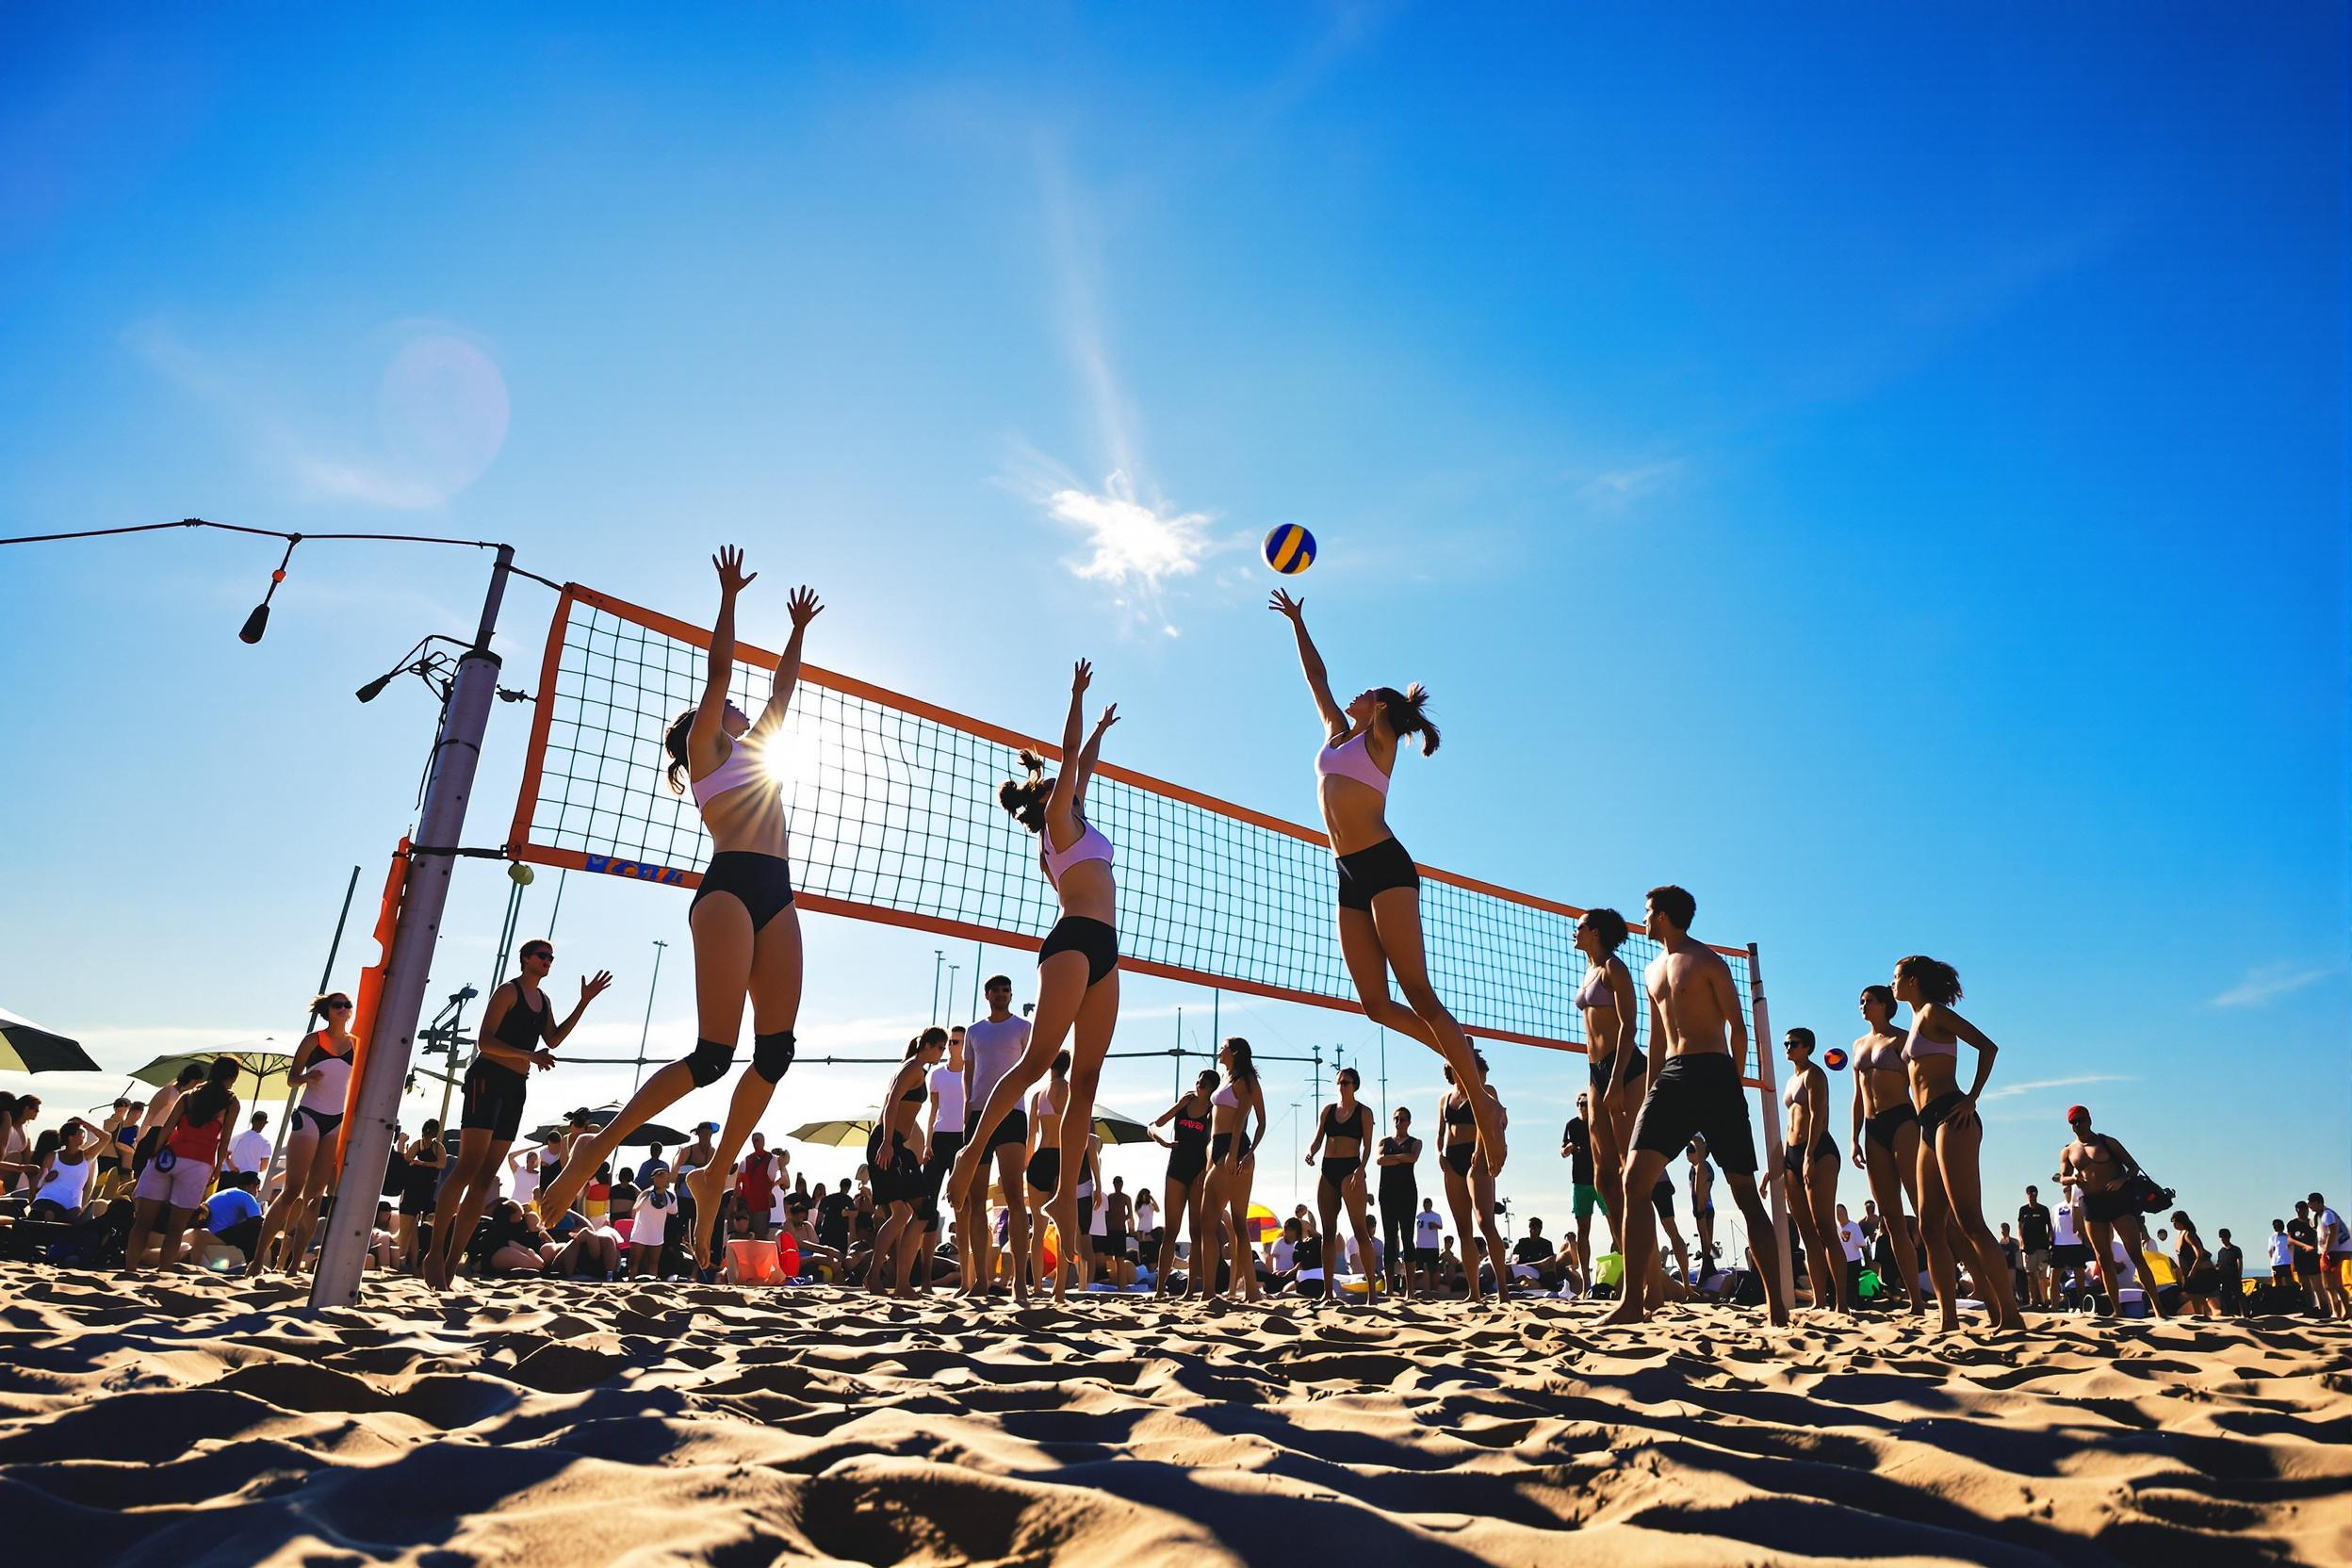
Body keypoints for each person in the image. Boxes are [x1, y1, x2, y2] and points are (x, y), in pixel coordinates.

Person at [539, 550, 821, 1255]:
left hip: (777, 893)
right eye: (725, 706)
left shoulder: (756, 749)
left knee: (777, 1052)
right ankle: (593, 1150)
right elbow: (718, 672)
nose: (735, 705)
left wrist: (796, 631)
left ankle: (715, 1172)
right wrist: (727, 597)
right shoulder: (704, 744)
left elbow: (782, 695)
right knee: (712, 1056)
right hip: (727, 891)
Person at [1270, 588, 1505, 1170]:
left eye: (1368, 692)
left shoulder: (1380, 739)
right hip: (1347, 871)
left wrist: (1395, 704)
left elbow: (1375, 702)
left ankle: (1483, 1109)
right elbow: (1318, 678)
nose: (1355, 692)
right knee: (1375, 1004)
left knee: (1419, 992)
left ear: (1377, 709)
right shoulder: (1335, 732)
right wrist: (1298, 622)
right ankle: (1465, 1058)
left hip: (1384, 865)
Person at [948, 662, 1124, 1296]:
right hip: (1071, 942)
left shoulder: (1075, 814)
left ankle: (1067, 1204)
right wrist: (1075, 699)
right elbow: (1071, 754)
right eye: (1069, 783)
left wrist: (1100, 730)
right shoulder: (1057, 823)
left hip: (1106, 949)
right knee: (1037, 1064)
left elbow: (1085, 763)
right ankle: (972, 1156)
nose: (1077, 784)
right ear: (1052, 795)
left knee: (1088, 1082)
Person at [1603, 887, 1787, 1326]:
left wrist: (1734, 1081)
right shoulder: (1651, 970)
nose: (1642, 919)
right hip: (1670, 1077)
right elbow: (1655, 1038)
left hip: (1715, 1073)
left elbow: (1738, 1029)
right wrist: (1649, 1092)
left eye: (1648, 912)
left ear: (1664, 916)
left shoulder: (1708, 961)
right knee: (1633, 1181)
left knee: (1744, 1192)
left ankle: (1777, 1307)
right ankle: (1633, 1302)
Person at [426, 939, 612, 1288]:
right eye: (542, 956)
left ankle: (452, 1262)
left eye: (551, 958)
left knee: (484, 1181)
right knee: (468, 1167)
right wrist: (529, 1054)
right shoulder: (507, 992)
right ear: (526, 959)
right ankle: (435, 1251)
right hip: (488, 1077)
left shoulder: (543, 1001)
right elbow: (484, 1042)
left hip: (515, 1085)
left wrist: (584, 1002)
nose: (548, 962)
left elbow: (553, 1040)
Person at [1892, 955, 2025, 1332]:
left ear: (1913, 980)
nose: (1892, 984)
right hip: (1926, 1125)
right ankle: (1948, 1318)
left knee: (1969, 1219)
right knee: (1930, 1225)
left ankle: (2010, 1315)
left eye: (1896, 977)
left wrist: (1972, 1096)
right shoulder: (1915, 1020)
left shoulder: (1934, 1012)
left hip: (1953, 1115)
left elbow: (1987, 1047)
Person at [246, 994, 357, 1275]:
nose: (345, 1009)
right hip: (308, 1115)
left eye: (347, 1005)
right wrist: (307, 1078)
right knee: (292, 1190)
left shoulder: (356, 1043)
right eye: (338, 1005)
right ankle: (258, 1259)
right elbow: (291, 1078)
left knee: (315, 1197)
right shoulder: (313, 1040)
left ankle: (294, 1266)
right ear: (327, 1011)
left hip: (335, 1120)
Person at [1848, 984, 1928, 1315]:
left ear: (1884, 1005)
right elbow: (1856, 1095)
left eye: (1868, 1001)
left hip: (1902, 1120)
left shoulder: (1902, 1038)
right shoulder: (1858, 1044)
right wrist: (1853, 1137)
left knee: (1923, 1208)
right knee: (1891, 1219)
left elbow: (1920, 1083)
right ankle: (1916, 1300)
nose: (1862, 1006)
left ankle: (1955, 1279)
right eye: (1860, 1001)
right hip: (1872, 1126)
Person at [124, 1057, 242, 1274]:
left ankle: (130, 1269)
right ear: (232, 1077)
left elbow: (168, 1128)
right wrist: (217, 1167)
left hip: (168, 1158)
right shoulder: (230, 1103)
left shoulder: (189, 1096)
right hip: (199, 1164)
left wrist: (156, 1152)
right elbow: (224, 1139)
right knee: (176, 1228)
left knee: (142, 1222)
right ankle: (163, 1271)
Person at [1573, 908, 1642, 1261]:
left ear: (1596, 932)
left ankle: (1648, 1271)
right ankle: (1628, 1256)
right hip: (1596, 1071)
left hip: (1625, 1068)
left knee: (1629, 1170)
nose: (1575, 930)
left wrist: (1615, 1079)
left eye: (1580, 926)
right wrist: (1596, 1082)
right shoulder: (1588, 971)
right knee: (1603, 1179)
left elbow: (1630, 1025)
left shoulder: (1614, 968)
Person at [2056, 1104, 2167, 1319]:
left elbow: (2133, 1166)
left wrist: (2121, 1179)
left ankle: (2159, 1309)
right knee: (2102, 1258)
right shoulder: (2069, 1150)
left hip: (2117, 1201)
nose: (2077, 1125)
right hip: (2092, 1202)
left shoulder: (2107, 1142)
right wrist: (2073, 1179)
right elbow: (2062, 1177)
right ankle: (2116, 1310)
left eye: (2080, 1120)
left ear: (2089, 1120)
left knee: (2136, 1255)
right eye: (2073, 1122)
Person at [961, 975, 1035, 1299]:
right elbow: (968, 1072)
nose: (1002, 994)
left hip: (1011, 1114)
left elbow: (1034, 1065)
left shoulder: (1022, 1027)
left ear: (1010, 994)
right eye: (997, 990)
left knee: (1015, 1197)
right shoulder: (974, 1032)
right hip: (978, 1115)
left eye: (1007, 990)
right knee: (976, 1201)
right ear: (987, 995)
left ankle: (1019, 1280)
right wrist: (967, 1108)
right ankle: (979, 1281)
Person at [865, 1032, 942, 1297]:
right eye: (940, 1047)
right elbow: (891, 1103)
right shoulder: (914, 1069)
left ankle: (896, 1282)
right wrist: (887, 1143)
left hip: (897, 1146)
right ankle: (883, 1278)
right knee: (915, 1212)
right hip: (888, 1144)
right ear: (928, 1046)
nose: (941, 1053)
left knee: (909, 1213)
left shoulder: (911, 1068)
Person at [1777, 1028, 1849, 1312]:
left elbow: (1819, 1116)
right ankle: (1819, 1300)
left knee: (1825, 1228)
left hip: (1818, 1151)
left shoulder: (1814, 1075)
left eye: (1793, 1044)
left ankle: (1842, 1302)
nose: (1787, 1047)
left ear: (1807, 1047)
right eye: (1785, 1043)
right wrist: (1781, 1162)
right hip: (1792, 1154)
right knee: (1806, 1231)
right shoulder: (1790, 1080)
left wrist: (1809, 1156)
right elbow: (1789, 1124)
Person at [1199, 1037, 1268, 1302]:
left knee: (1207, 1222)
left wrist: (1243, 1153)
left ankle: (1209, 1292)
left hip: (1232, 1148)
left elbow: (1254, 1120)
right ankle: (1251, 1291)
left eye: (1224, 1045)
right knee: (1237, 1223)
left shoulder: (1245, 1079)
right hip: (1220, 1148)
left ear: (1234, 1052)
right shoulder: (1228, 1077)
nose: (1220, 1049)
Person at [1304, 1068, 1380, 1309]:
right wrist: (1310, 1152)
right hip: (1328, 1169)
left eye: (1346, 1083)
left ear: (1354, 1085)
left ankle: (1372, 1292)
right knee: (1327, 1232)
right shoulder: (1327, 1110)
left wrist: (1361, 1169)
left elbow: (1367, 1146)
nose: (1341, 1086)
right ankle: (1327, 1293)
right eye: (1339, 1082)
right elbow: (1318, 1139)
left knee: (1360, 1230)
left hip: (1351, 1169)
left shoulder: (1363, 1112)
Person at [1437, 1058, 1510, 1305]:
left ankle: (1503, 1291)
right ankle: (1475, 1294)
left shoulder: (1484, 1091)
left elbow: (1494, 1122)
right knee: (1462, 1230)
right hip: (1453, 1160)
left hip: (1476, 1158)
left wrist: (1482, 1150)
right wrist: (1440, 1155)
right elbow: (1440, 1133)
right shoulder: (1445, 1098)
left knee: (1486, 1223)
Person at [1148, 1070, 1218, 1298]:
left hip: (1198, 1173)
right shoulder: (1185, 1102)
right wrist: (1165, 1142)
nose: (1200, 1085)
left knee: (1195, 1232)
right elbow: (1153, 1125)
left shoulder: (1212, 1111)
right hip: (1176, 1170)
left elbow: (1216, 1143)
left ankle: (1189, 1291)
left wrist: (1206, 1169)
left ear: (1212, 1088)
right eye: (1198, 1080)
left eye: (1204, 1083)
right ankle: (1160, 1289)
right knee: (1171, 1232)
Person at [1021, 1049, 1076, 1297]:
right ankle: (1059, 1288)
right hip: (1061, 1158)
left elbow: (1031, 1136)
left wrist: (1025, 1166)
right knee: (1064, 1225)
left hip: (1040, 1159)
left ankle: (1035, 1287)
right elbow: (1077, 1131)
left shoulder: (1037, 1096)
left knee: (1038, 1227)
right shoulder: (1070, 1092)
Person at [918, 1025, 968, 1291]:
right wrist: (927, 1143)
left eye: (958, 1041)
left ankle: (967, 1277)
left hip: (962, 1140)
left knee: (963, 1206)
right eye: (951, 1041)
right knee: (928, 1207)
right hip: (939, 1140)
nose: (953, 1045)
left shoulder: (970, 1071)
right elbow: (933, 1110)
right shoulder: (937, 1074)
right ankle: (924, 1277)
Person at [1381, 1106, 1426, 1297]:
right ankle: (1389, 1288)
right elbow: (1380, 1160)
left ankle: (1410, 1290)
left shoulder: (1416, 1142)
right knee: (1390, 1239)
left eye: (1403, 1119)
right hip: (1387, 1192)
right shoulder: (1385, 1141)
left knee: (1408, 1238)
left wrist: (1395, 1158)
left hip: (1407, 1193)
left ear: (1409, 1121)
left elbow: (1413, 1157)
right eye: (1396, 1119)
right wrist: (1401, 1158)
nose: (1399, 1122)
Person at [26, 1119, 102, 1224]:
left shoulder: (88, 1156)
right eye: (81, 1133)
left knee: (71, 1225)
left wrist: (85, 1123)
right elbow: (38, 1183)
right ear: (71, 1137)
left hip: (71, 1205)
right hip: (47, 1198)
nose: (84, 1136)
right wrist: (46, 1178)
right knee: (47, 1215)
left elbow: (106, 1138)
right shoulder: (52, 1156)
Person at [1561, 1094, 1599, 1297]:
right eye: (1581, 1104)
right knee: (1582, 1230)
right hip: (1581, 1182)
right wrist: (1567, 1149)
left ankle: (1628, 1276)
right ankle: (1586, 1283)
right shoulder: (1572, 1125)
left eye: (1587, 1103)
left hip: (1601, 1180)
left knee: (1616, 1224)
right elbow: (1563, 1150)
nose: (1584, 1107)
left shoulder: (1599, 1121)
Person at [396, 1119, 446, 1270]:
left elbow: (441, 1164)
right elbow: (407, 1158)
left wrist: (421, 1163)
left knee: (417, 1230)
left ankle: (410, 1261)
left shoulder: (438, 1147)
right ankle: (405, 1261)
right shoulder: (419, 1144)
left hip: (425, 1190)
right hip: (414, 1188)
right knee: (408, 1229)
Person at [629, 1167, 677, 1279]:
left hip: (656, 1235)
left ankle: (652, 1286)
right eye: (659, 1176)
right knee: (634, 1263)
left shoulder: (670, 1197)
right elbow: (635, 1210)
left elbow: (673, 1212)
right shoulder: (645, 1194)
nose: (661, 1179)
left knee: (653, 1264)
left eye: (664, 1176)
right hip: (640, 1233)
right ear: (653, 1179)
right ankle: (630, 1282)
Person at [2309, 1193, 2350, 1319]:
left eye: (2311, 1203)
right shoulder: (2319, 1216)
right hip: (2326, 1252)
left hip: (2333, 1252)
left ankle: (2345, 1310)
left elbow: (2333, 1230)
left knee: (2335, 1284)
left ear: (2318, 1202)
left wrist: (2327, 1248)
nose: (2309, 1206)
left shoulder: (2327, 1214)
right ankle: (2336, 1311)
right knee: (2327, 1285)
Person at [735, 1132, 779, 1240]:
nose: (755, 1143)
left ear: (763, 1141)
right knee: (744, 1237)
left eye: (757, 1140)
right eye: (753, 1140)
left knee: (760, 1237)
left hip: (762, 1206)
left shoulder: (772, 1159)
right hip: (746, 1207)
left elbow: (776, 1179)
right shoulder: (746, 1160)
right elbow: (738, 1182)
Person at [2017, 1184, 2055, 1308]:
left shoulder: (2043, 1210)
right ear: (2026, 1195)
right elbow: (2020, 1227)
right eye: (2029, 1194)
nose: (2031, 1196)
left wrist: (2050, 1240)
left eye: (2034, 1193)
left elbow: (2049, 1227)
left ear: (2037, 1194)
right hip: (2029, 1248)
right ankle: (2034, 1300)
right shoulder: (2023, 1210)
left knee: (2042, 1274)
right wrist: (2022, 1243)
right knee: (2030, 1274)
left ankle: (2045, 1300)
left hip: (2042, 1246)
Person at [1686, 1135, 1718, 1276]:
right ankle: (1708, 1264)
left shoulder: (1702, 1167)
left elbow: (1702, 1189)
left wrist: (1700, 1209)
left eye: (1690, 1150)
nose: (1687, 1154)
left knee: (1706, 1243)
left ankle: (1708, 1266)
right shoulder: (1694, 1168)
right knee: (1705, 1242)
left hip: (1704, 1207)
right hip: (1703, 1206)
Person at [2285, 1203, 2323, 1314]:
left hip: (2314, 1257)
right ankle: (2310, 1308)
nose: (2302, 1212)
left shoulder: (2313, 1223)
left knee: (2318, 1286)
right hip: (2300, 1258)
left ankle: (2324, 1308)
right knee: (2305, 1285)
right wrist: (2304, 1246)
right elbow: (2289, 1240)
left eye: (2304, 1209)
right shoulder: (2293, 1224)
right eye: (2299, 1210)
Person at [1511, 1218, 1559, 1290]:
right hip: (1522, 1270)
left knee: (1550, 1277)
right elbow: (1515, 1259)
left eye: (1535, 1228)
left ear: (1540, 1229)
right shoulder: (1522, 1243)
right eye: (1531, 1227)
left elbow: (1550, 1264)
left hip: (1538, 1272)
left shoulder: (1546, 1245)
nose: (1533, 1231)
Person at [1412, 1197, 1444, 1298]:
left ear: (1431, 1205)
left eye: (1428, 1204)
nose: (1426, 1205)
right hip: (1421, 1246)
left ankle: (1434, 1291)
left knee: (1433, 1269)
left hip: (1432, 1246)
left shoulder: (1436, 1216)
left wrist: (1434, 1225)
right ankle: (1420, 1290)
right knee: (1420, 1269)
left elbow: (1440, 1226)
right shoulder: (1419, 1216)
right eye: (1425, 1204)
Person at [227, 1112, 271, 1181]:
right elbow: (263, 1167)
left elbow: (227, 1155)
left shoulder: (237, 1137)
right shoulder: (265, 1143)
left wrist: (233, 1167)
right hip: (250, 1177)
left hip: (233, 1174)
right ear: (263, 1123)